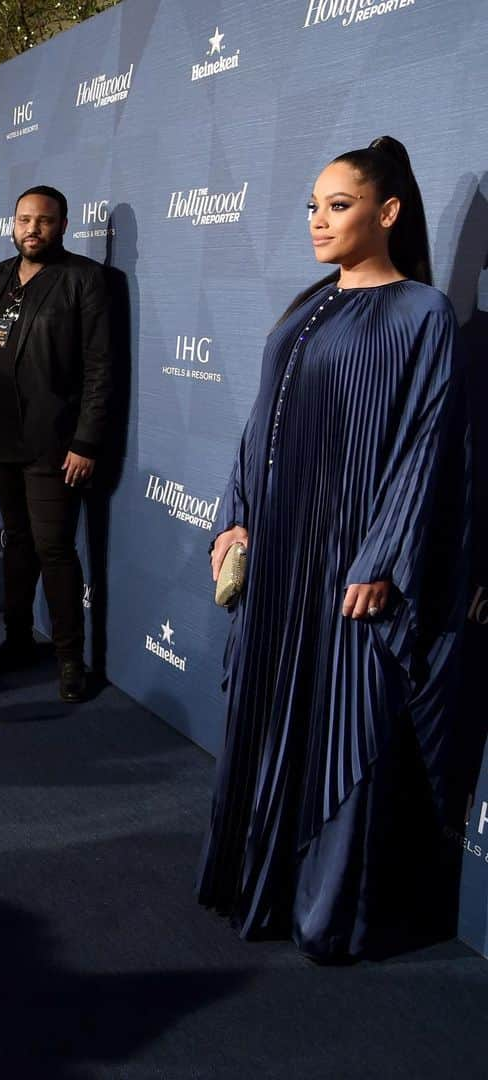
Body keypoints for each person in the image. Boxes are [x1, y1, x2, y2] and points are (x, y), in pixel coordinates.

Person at [198, 137, 471, 962]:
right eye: (313, 206)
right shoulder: (304, 308)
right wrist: (235, 515)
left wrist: (382, 556)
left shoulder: (424, 313)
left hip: (353, 562)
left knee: (342, 717)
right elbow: (261, 426)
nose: (318, 220)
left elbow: (428, 444)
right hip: (280, 556)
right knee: (275, 709)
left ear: (388, 212)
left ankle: (325, 911)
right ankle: (265, 883)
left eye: (338, 205)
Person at [0, 185, 112, 703]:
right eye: (24, 219)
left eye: (44, 221)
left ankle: (71, 658)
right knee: (17, 545)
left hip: (54, 445)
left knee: (54, 548)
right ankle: (18, 640)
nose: (33, 228)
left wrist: (86, 442)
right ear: (12, 223)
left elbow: (100, 368)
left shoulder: (84, 280)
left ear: (63, 225)